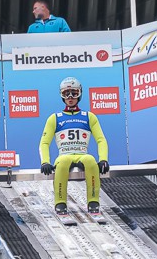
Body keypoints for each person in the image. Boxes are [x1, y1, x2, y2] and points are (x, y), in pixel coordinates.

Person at [38, 77, 109, 216]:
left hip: (82, 154)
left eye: (74, 93)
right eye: (66, 94)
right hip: (64, 155)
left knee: (90, 160)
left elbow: (101, 140)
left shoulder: (89, 116)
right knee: (63, 162)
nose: (70, 97)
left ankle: (93, 202)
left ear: (80, 94)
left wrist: (103, 159)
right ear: (61, 95)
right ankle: (60, 203)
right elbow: (44, 142)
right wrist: (45, 161)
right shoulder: (55, 118)